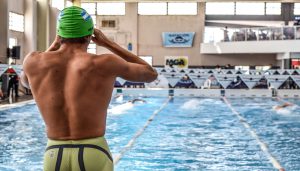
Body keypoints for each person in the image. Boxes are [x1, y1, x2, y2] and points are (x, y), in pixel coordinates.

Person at [21, 6, 157, 171]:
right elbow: (150, 74)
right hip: (93, 152)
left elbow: (26, 82)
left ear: (59, 34)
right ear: (90, 34)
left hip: (54, 155)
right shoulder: (106, 63)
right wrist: (109, 43)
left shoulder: (33, 61)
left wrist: (55, 45)